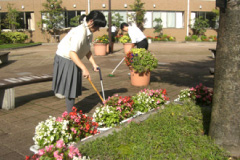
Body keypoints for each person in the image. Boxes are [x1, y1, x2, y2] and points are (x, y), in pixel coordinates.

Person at [52, 10, 107, 113]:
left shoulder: (89, 32)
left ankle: (71, 112)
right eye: (97, 27)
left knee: (73, 88)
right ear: (91, 21)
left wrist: (94, 64)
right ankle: (70, 115)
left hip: (73, 58)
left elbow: (86, 50)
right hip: (66, 59)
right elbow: (72, 53)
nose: (98, 29)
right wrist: (84, 68)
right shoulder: (80, 32)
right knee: (70, 89)